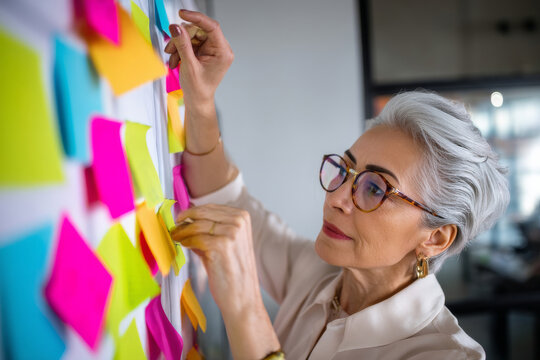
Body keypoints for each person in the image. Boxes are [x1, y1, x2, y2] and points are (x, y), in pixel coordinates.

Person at [166, 9, 510, 360]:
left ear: (435, 238)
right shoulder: (318, 270)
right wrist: (201, 99)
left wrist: (244, 308)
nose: (336, 198)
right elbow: (225, 197)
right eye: (345, 171)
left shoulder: (446, 355)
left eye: (375, 189)